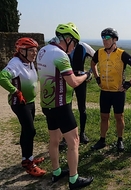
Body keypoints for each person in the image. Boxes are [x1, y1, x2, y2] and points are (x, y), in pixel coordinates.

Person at [36, 22, 93, 189]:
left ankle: (56, 172)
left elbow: (55, 74)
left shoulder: (42, 50)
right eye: (74, 43)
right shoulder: (61, 55)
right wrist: (86, 75)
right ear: (68, 39)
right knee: (74, 141)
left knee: (54, 139)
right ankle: (74, 179)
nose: (74, 47)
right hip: (61, 105)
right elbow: (74, 82)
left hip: (47, 104)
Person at [90, 27, 131, 152]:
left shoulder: (122, 54)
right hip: (105, 91)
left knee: (119, 117)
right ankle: (102, 140)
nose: (104, 40)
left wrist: (128, 84)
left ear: (115, 40)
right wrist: (97, 78)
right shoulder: (99, 53)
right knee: (104, 117)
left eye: (107, 38)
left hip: (118, 92)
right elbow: (93, 64)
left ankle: (120, 140)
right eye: (103, 38)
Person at [0, 37, 46, 177]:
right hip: (20, 103)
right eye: (31, 50)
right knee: (30, 131)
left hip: (29, 101)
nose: (34, 53)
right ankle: (29, 163)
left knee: (26, 130)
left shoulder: (29, 61)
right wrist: (16, 91)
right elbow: (2, 77)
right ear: (21, 51)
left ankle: (27, 159)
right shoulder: (16, 63)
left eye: (35, 50)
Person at [69, 41, 95, 144]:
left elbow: (96, 57)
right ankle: (66, 135)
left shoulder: (83, 46)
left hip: (80, 79)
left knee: (82, 107)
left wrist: (89, 73)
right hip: (67, 78)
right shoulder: (62, 45)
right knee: (66, 108)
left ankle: (82, 133)